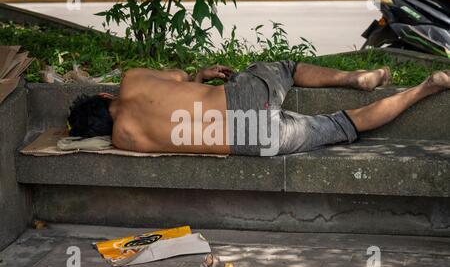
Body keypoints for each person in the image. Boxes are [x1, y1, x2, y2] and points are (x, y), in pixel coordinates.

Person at [67, 61, 450, 156]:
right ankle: (355, 78)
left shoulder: (125, 139)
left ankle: (422, 89)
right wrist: (200, 74)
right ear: (102, 97)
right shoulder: (132, 79)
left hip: (249, 139)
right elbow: (179, 78)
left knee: (344, 124)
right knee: (287, 69)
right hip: (242, 97)